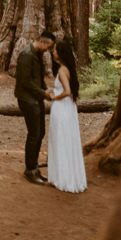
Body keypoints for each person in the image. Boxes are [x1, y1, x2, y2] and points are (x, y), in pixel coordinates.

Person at [14, 30, 55, 184]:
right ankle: (30, 170)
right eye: (48, 47)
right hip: (27, 100)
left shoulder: (38, 54)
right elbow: (24, 82)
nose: (48, 50)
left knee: (40, 132)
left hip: (36, 98)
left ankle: (35, 168)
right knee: (34, 134)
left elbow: (38, 78)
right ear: (42, 42)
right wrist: (42, 94)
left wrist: (45, 90)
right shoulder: (26, 55)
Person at [47, 40, 87, 192]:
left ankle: (62, 178)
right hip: (68, 108)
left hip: (62, 108)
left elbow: (67, 91)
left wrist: (53, 97)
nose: (53, 52)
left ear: (61, 53)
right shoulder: (67, 68)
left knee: (60, 140)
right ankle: (65, 175)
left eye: (55, 50)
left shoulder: (62, 70)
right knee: (66, 139)